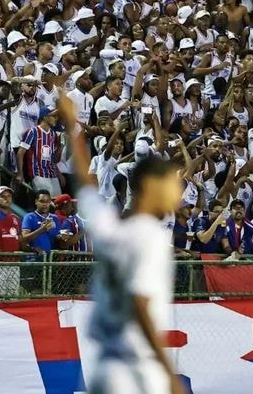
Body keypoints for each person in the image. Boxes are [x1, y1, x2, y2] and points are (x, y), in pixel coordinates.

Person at [56, 88, 186, 394]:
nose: (176, 194)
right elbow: (139, 305)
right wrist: (169, 375)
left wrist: (71, 124)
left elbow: (86, 185)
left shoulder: (111, 225)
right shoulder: (149, 236)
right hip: (134, 366)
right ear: (151, 186)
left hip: (104, 365)